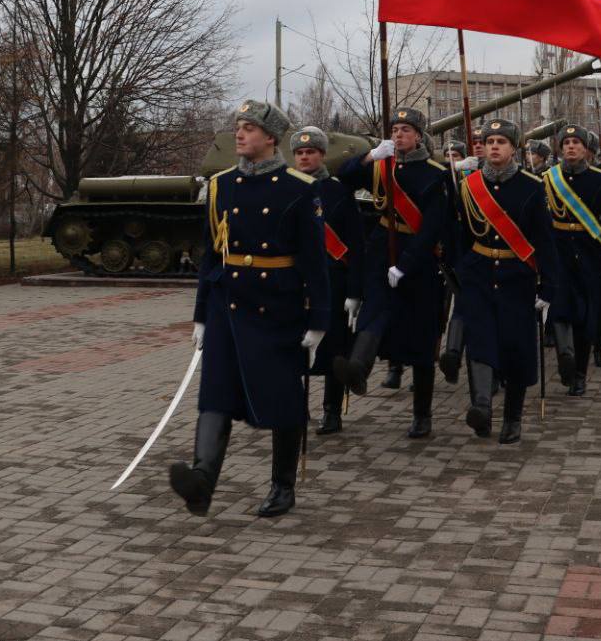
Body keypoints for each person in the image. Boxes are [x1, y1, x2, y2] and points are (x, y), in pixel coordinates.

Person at [169, 100, 329, 518]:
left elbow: (315, 261)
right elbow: (211, 257)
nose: (239, 135)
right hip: (228, 304)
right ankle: (202, 483)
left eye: (249, 129)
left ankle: (282, 486)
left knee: (282, 399)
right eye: (238, 127)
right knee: (216, 394)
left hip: (277, 306)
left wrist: (318, 321)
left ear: (270, 138)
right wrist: (202, 314)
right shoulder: (222, 184)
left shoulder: (299, 187)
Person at [334, 107, 451, 438]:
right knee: (375, 311)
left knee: (421, 336)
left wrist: (407, 264)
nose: (399, 134)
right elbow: (343, 176)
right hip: (380, 250)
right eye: (395, 129)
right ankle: (358, 368)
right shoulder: (380, 164)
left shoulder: (434, 174)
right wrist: (369, 156)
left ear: (418, 135)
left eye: (405, 130)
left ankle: (422, 414)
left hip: (417, 259)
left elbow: (431, 229)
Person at [452, 118, 559, 443]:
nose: (494, 146)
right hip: (479, 275)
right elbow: (458, 234)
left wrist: (548, 286)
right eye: (490, 141)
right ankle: (481, 407)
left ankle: (512, 418)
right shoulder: (469, 186)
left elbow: (544, 240)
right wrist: (463, 267)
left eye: (501, 141)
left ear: (514, 148)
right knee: (481, 341)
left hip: (517, 278)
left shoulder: (531, 186)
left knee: (515, 348)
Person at [291, 126, 365, 434]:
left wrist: (355, 290)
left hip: (333, 281)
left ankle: (332, 411)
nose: (305, 157)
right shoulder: (286, 189)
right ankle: (296, 407)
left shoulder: (338, 192)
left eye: (311, 152)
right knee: (293, 347)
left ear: (322, 155)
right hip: (294, 281)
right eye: (300, 152)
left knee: (335, 349)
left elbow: (357, 244)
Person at [542, 126, 601, 396]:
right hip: (558, 252)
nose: (571, 147)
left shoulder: (600, 179)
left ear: (586, 149)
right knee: (560, 308)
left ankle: (580, 375)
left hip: (589, 255)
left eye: (576, 143)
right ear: (560, 148)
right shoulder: (549, 179)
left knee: (585, 319)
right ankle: (565, 356)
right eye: (566, 143)